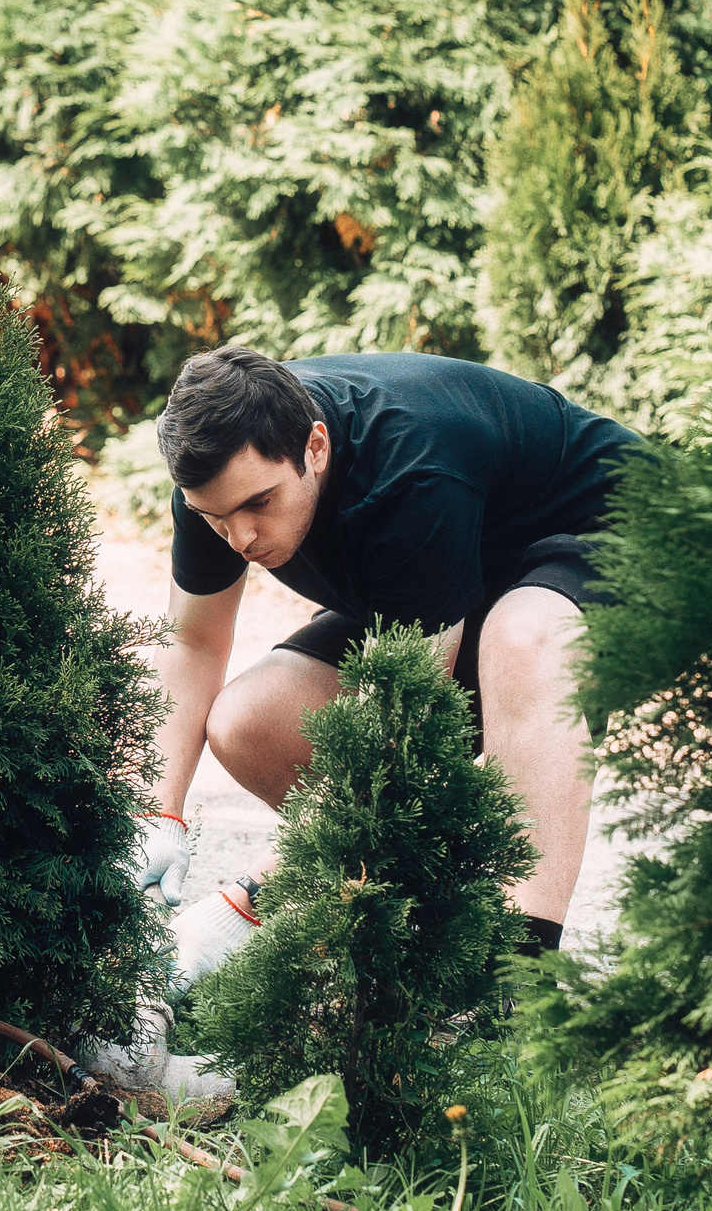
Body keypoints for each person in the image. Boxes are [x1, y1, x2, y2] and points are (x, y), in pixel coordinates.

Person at [128, 348, 641, 993]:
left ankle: (516, 982)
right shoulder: (218, 481)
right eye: (216, 517)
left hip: (630, 535)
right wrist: (156, 816)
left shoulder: (408, 470)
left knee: (522, 637)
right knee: (247, 722)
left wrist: (248, 900)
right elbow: (193, 643)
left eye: (260, 503)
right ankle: (426, 911)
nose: (241, 538)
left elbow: (400, 728)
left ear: (315, 447)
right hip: (466, 572)